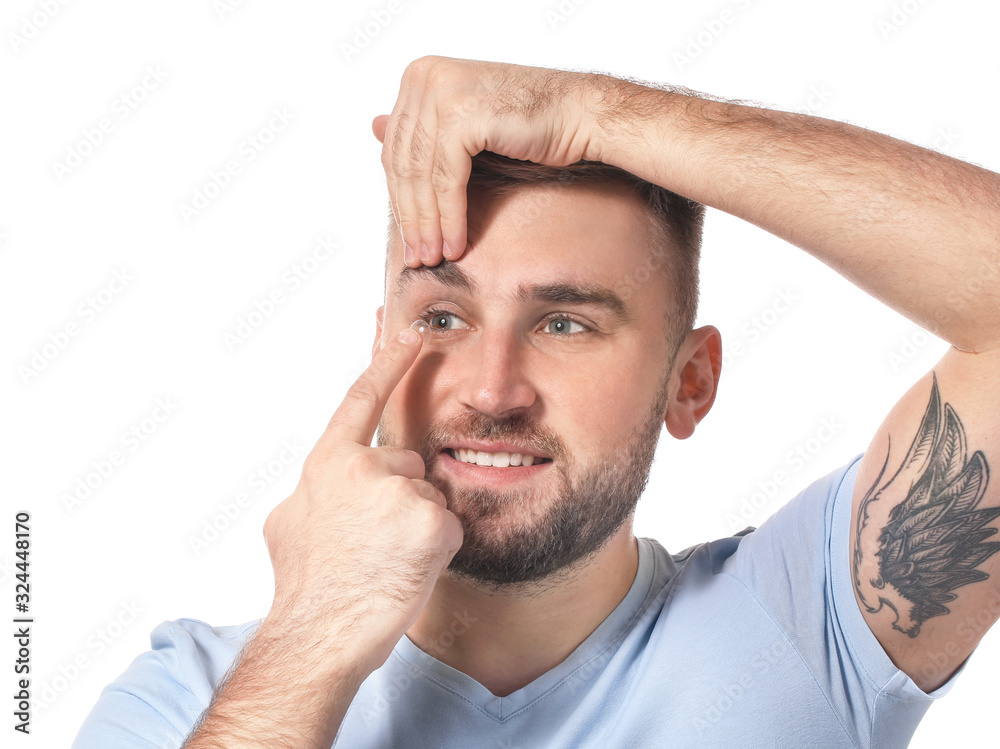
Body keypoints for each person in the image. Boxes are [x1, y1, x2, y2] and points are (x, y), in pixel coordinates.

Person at [73, 56, 1000, 748]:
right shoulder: (191, 697)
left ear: (692, 381)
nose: (490, 389)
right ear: (378, 344)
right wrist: (313, 636)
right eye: (442, 315)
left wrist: (591, 113)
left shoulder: (807, 625)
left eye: (566, 324)